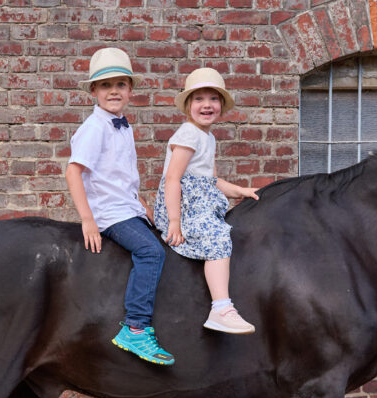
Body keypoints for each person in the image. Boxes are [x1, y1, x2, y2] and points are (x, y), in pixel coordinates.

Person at [65, 47, 175, 366]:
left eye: (120, 84)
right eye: (105, 85)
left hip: (127, 208)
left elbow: (120, 178)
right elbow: (74, 171)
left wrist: (145, 209)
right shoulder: (95, 128)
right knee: (150, 252)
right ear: (93, 91)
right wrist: (88, 220)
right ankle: (135, 328)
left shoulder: (122, 125)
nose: (114, 91)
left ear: (130, 90)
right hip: (109, 214)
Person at [154, 68, 259, 334]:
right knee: (219, 237)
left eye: (213, 99)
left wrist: (240, 190)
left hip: (198, 200)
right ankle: (221, 308)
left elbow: (211, 181)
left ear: (221, 106)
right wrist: (175, 222)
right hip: (181, 206)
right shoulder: (188, 135)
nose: (207, 105)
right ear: (188, 106)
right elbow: (172, 179)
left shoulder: (207, 136)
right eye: (199, 99)